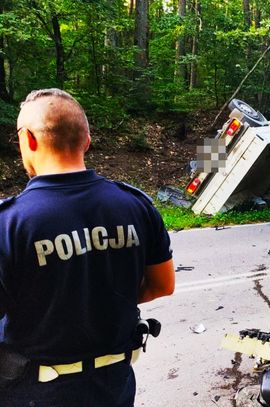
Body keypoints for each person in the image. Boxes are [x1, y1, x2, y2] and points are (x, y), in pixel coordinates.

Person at [0, 88, 175, 406]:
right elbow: (163, 285)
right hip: (114, 386)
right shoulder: (136, 205)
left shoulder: (9, 223)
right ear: (87, 141)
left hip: (35, 392)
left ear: (29, 140)